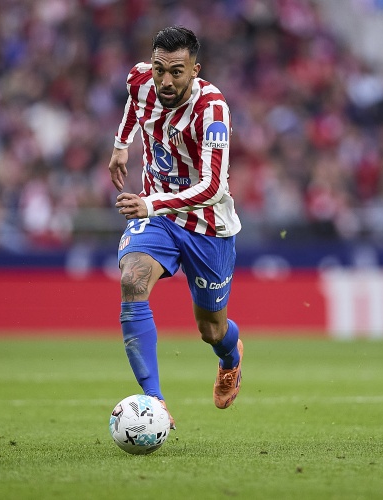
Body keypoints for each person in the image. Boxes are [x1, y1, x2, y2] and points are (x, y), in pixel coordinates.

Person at [108, 26, 243, 429]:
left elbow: (213, 187)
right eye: (159, 70)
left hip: (206, 225)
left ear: (194, 71)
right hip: (159, 218)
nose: (165, 81)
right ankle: (154, 401)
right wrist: (121, 144)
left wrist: (148, 203)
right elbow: (134, 101)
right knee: (132, 279)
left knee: (211, 330)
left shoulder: (212, 110)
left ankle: (231, 358)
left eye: (176, 72)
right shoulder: (140, 80)